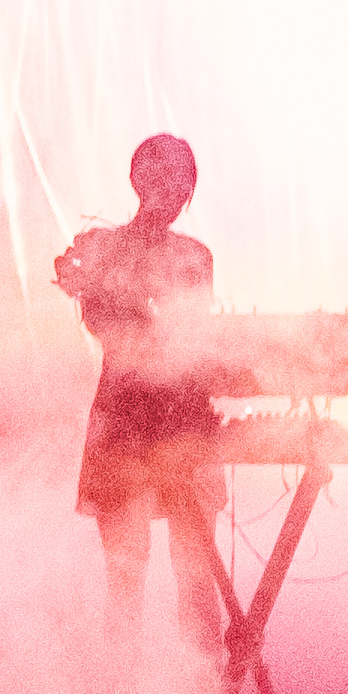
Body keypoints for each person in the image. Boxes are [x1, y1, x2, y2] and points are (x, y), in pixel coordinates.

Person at [52, 134, 231, 653]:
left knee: (196, 573)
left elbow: (198, 339)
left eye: (182, 185)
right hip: (126, 420)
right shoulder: (103, 248)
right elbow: (104, 325)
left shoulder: (195, 257)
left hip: (182, 418)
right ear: (139, 181)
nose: (172, 194)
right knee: (125, 577)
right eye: (162, 180)